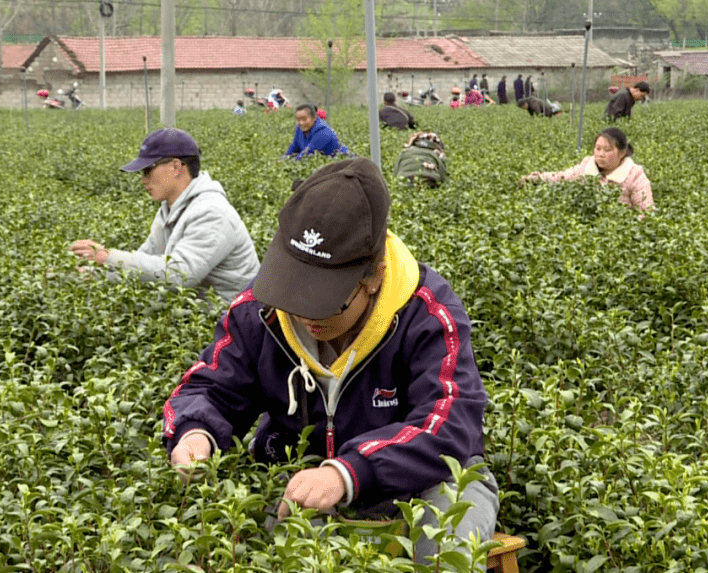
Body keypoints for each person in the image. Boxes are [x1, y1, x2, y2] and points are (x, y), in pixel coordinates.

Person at [164, 157, 498, 563]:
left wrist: (348, 472)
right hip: (302, 479)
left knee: (444, 549)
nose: (304, 314)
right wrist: (194, 431)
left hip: (424, 480)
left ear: (372, 278)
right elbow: (210, 386)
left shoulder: (426, 311)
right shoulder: (262, 308)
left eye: (323, 300)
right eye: (294, 289)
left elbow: (449, 422)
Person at [69, 128, 261, 303]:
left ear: (176, 167)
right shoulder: (169, 209)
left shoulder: (212, 213)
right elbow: (144, 262)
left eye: (148, 170)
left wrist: (108, 256)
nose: (143, 179)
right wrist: (85, 275)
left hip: (231, 323)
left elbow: (180, 274)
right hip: (195, 313)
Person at [521, 127, 654, 212]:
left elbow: (646, 211)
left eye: (607, 150)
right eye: (598, 148)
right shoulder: (586, 167)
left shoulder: (635, 175)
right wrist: (536, 178)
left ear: (622, 153)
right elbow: (562, 177)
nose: (601, 154)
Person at [284, 104, 350, 159]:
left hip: (341, 164)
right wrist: (282, 160)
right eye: (298, 119)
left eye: (304, 119)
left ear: (314, 118)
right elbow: (293, 148)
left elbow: (307, 154)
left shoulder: (323, 131)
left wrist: (287, 163)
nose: (301, 122)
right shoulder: (299, 128)